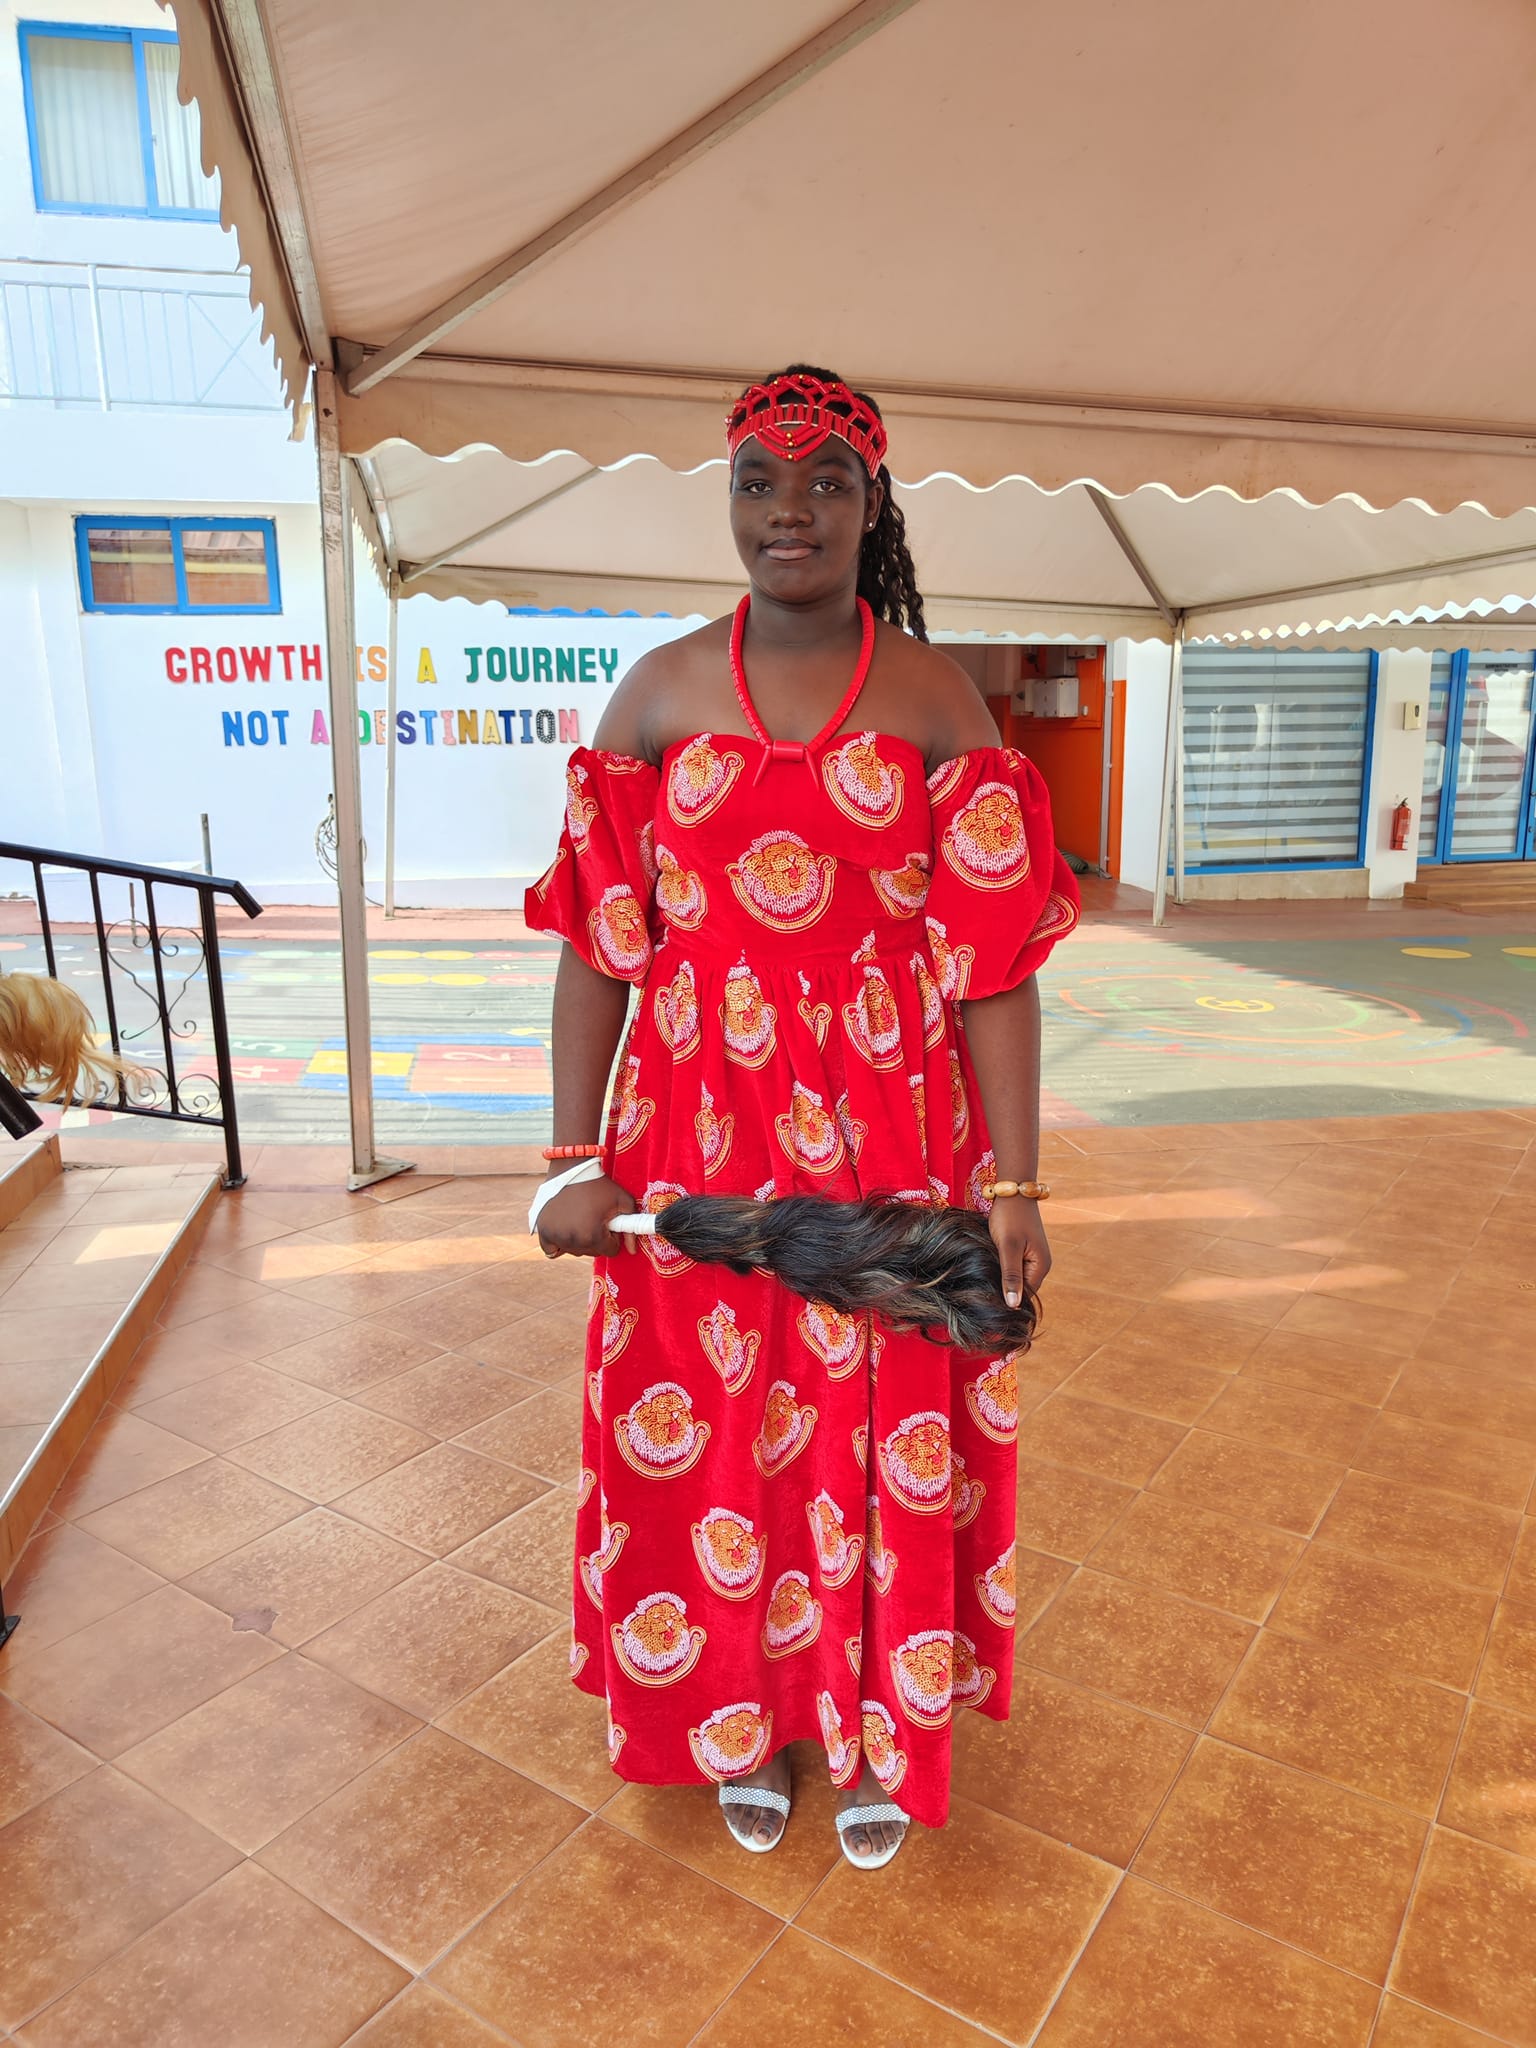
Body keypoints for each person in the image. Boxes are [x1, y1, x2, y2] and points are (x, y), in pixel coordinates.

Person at [526, 366, 1080, 1868]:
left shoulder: (938, 698)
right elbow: (597, 948)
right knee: (721, 1431)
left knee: (879, 1417)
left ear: (869, 503)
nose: (792, 510)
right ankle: (750, 1718)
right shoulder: (655, 693)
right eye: (761, 483)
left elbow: (995, 968)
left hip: (892, 1131)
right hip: (693, 1136)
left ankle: (878, 1725)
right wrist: (572, 1160)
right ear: (727, 499)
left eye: (828, 481)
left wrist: (1015, 1186)